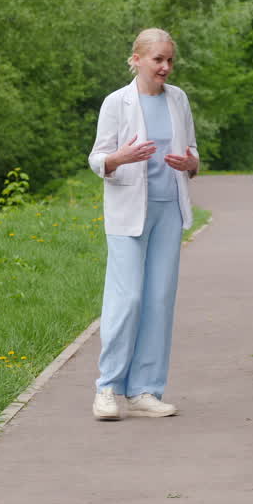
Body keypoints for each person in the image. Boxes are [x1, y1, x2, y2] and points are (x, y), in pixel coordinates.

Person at [87, 28, 199, 421]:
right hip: (128, 212)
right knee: (127, 298)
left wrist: (191, 164)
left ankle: (144, 391)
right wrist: (121, 157)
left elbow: (193, 154)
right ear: (136, 59)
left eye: (170, 60)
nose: (165, 67)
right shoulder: (116, 103)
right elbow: (98, 159)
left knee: (159, 300)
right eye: (158, 60)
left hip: (168, 210)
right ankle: (107, 388)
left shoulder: (178, 99)